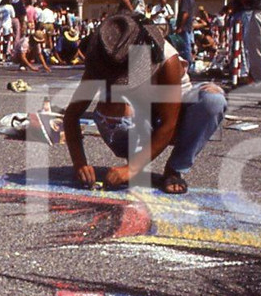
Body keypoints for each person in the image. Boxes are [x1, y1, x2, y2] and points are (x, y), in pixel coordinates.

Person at [62, 10, 227, 196]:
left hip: (175, 115)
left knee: (213, 100)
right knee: (111, 104)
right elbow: (72, 114)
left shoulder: (167, 60)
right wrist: (79, 163)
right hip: (141, 117)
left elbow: (168, 123)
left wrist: (130, 170)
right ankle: (135, 157)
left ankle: (173, 169)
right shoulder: (105, 58)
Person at [172, 0, 197, 69]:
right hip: (188, 26)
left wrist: (180, 27)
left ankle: (187, 67)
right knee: (187, 47)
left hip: (184, 27)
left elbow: (185, 13)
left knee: (185, 49)